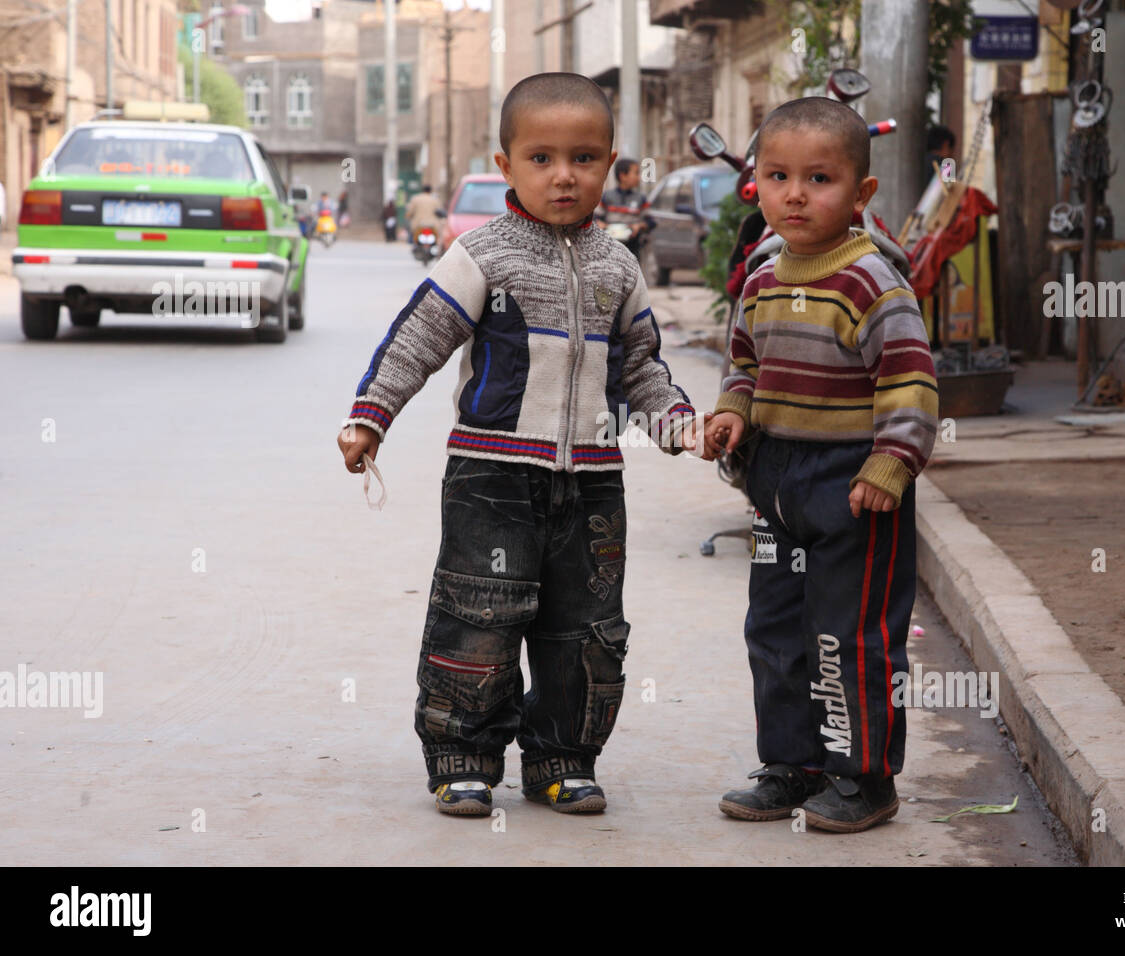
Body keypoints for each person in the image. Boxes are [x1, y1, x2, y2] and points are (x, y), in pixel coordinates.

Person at [336, 72, 699, 818]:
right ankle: (464, 757)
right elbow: (420, 339)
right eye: (541, 158)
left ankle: (563, 758)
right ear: (505, 165)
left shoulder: (619, 265)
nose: (563, 175)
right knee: (480, 618)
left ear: (609, 163)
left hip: (592, 486)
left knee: (586, 631)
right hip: (491, 478)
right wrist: (372, 415)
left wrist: (677, 424)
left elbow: (641, 367)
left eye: (584, 158)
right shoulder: (484, 256)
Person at [702, 96, 938, 833]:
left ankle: (863, 776)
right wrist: (733, 414)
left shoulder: (873, 281)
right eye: (778, 176)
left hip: (853, 487)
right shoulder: (763, 279)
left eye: (819, 179)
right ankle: (792, 764)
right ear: (758, 186)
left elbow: (909, 380)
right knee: (774, 630)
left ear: (861, 193)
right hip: (776, 485)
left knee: (848, 635)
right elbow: (744, 364)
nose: (795, 194)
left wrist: (891, 464)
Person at [595, 158, 651, 258]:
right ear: (623, 176)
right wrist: (600, 223)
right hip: (610, 247)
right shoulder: (607, 196)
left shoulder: (641, 198)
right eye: (636, 173)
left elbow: (650, 222)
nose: (639, 177)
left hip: (633, 246)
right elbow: (596, 218)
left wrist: (639, 226)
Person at [404, 184, 440, 249]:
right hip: (433, 224)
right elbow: (439, 211)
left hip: (418, 224)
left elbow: (410, 212)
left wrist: (408, 216)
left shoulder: (415, 199)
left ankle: (413, 243)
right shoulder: (435, 200)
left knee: (412, 236)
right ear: (430, 191)